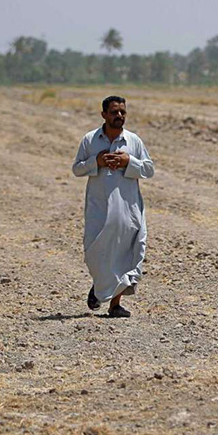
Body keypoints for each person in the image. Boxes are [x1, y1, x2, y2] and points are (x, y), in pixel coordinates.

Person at [72, 96, 155, 317]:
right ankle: (100, 286)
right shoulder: (90, 140)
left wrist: (129, 162)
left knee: (125, 252)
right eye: (114, 112)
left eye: (122, 112)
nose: (119, 116)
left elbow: (149, 169)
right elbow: (77, 169)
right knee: (95, 251)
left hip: (127, 208)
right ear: (104, 115)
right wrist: (96, 162)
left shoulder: (133, 141)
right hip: (99, 207)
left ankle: (114, 305)